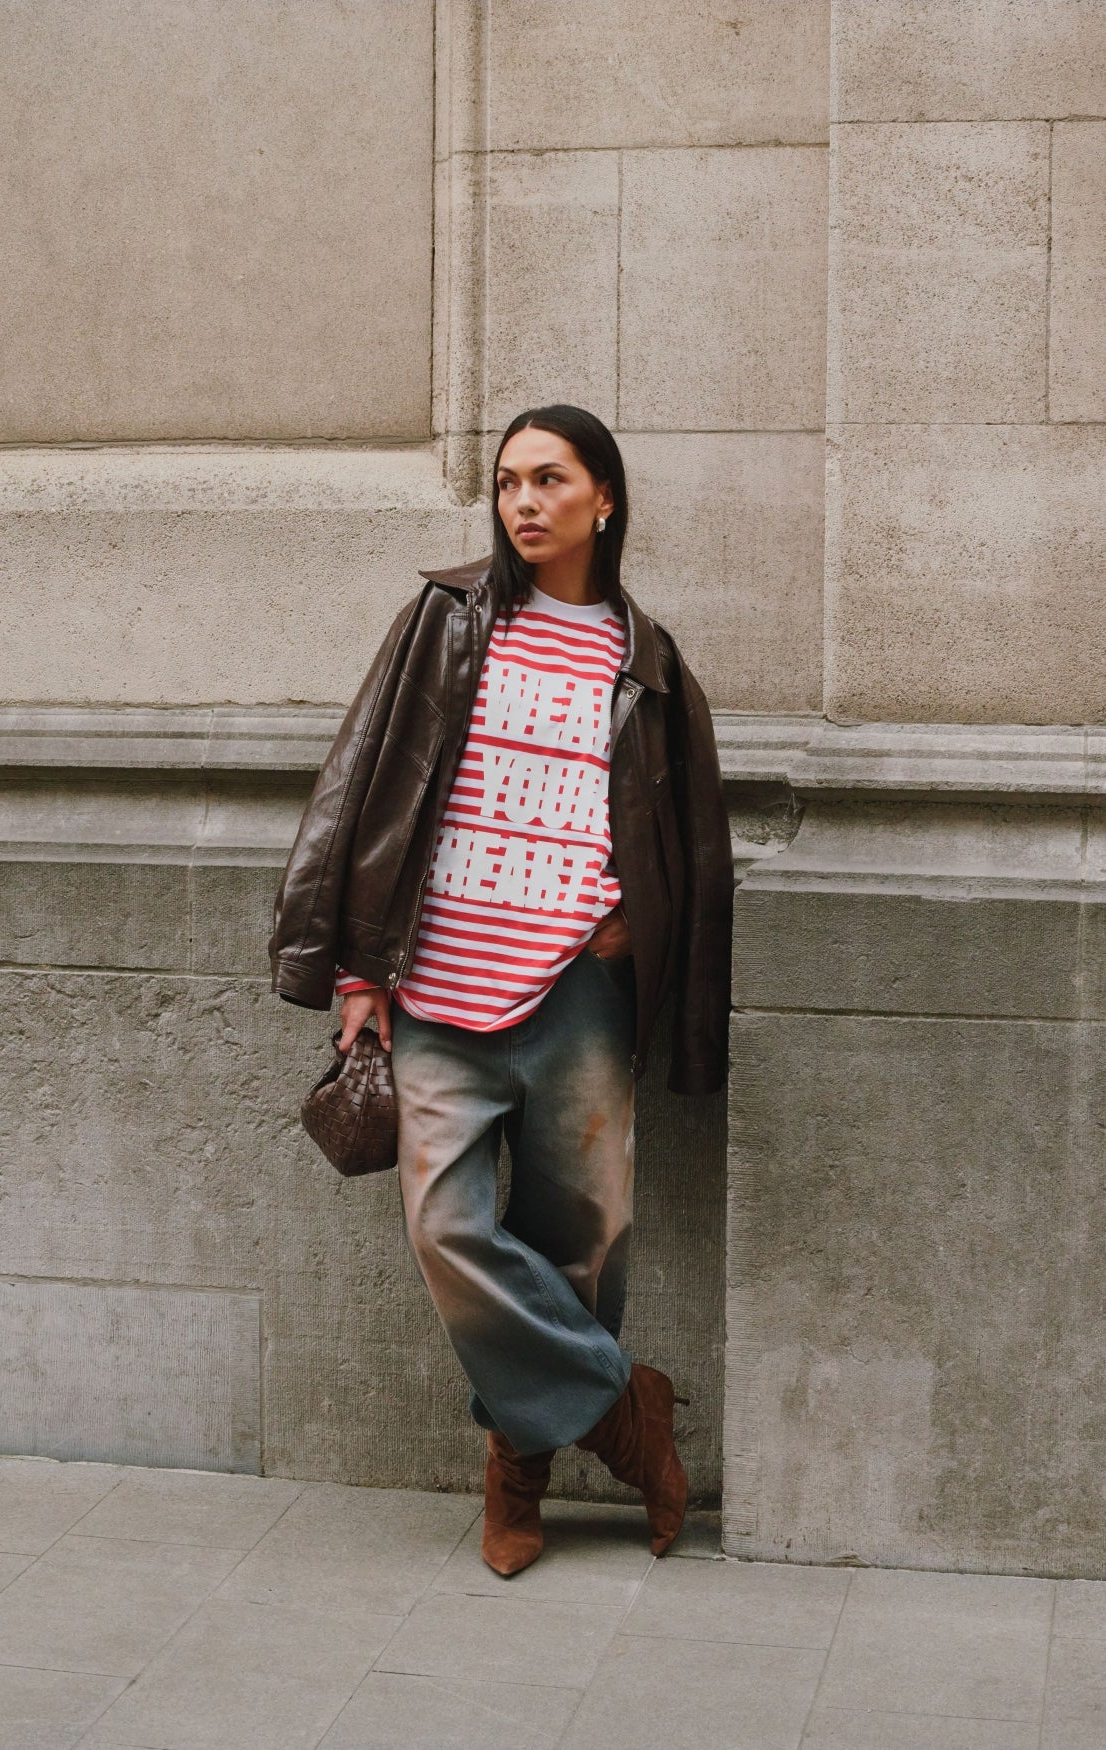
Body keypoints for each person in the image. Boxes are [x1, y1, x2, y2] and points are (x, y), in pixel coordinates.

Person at [269, 404, 733, 1576]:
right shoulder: (446, 621)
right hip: (435, 982)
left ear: (604, 498)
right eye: (509, 481)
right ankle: (625, 1411)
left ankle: (515, 1478)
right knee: (445, 1227)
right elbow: (369, 784)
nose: (524, 500)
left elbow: (689, 839)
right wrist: (358, 969)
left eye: (551, 479)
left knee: (583, 1241)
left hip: (578, 987)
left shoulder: (647, 660)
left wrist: (638, 924)